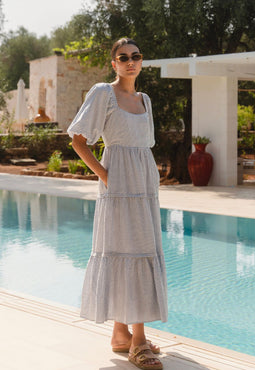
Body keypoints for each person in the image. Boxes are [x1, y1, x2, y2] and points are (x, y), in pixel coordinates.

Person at [67, 37, 167, 370]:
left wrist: (148, 179)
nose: (130, 62)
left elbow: (143, 146)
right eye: (122, 57)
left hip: (144, 186)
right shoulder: (102, 93)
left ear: (142, 61)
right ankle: (138, 343)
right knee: (130, 252)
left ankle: (121, 335)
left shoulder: (145, 99)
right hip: (120, 186)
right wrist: (106, 176)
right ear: (114, 63)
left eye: (136, 56)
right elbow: (78, 140)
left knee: (139, 251)